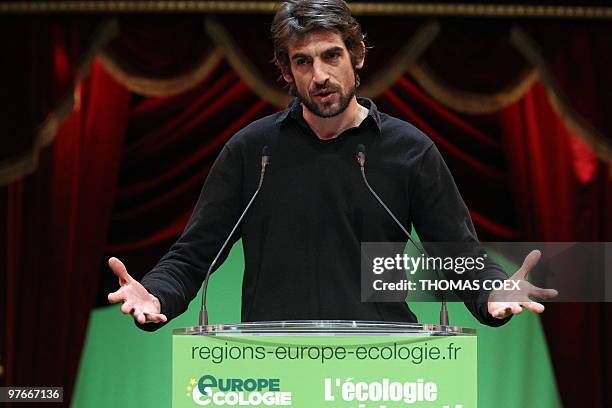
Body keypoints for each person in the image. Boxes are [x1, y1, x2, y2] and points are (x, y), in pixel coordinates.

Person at [107, 0, 556, 329]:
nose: (319, 75)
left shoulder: (409, 150)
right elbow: (194, 254)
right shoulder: (252, 151)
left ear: (357, 56)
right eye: (302, 61)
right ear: (287, 72)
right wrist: (157, 292)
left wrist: (493, 289)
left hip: (383, 364)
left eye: (331, 56)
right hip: (273, 363)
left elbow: (457, 252)